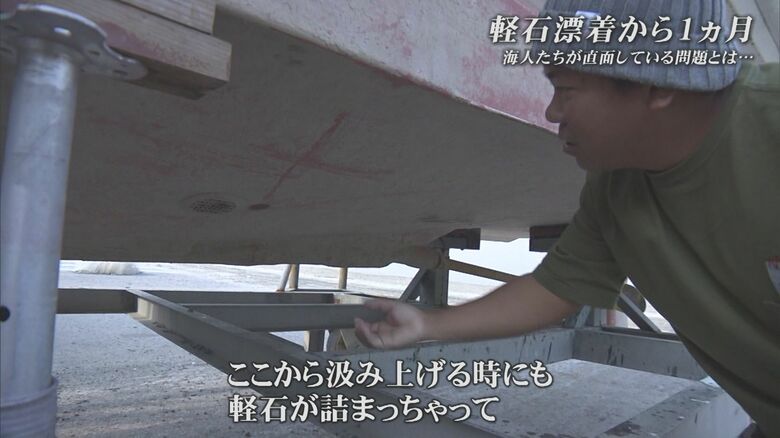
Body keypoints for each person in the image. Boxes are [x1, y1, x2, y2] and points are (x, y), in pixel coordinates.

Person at [354, 1, 779, 436]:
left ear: (656, 83)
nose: (552, 112)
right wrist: (428, 324)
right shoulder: (615, 188)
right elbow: (557, 287)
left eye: (566, 89)